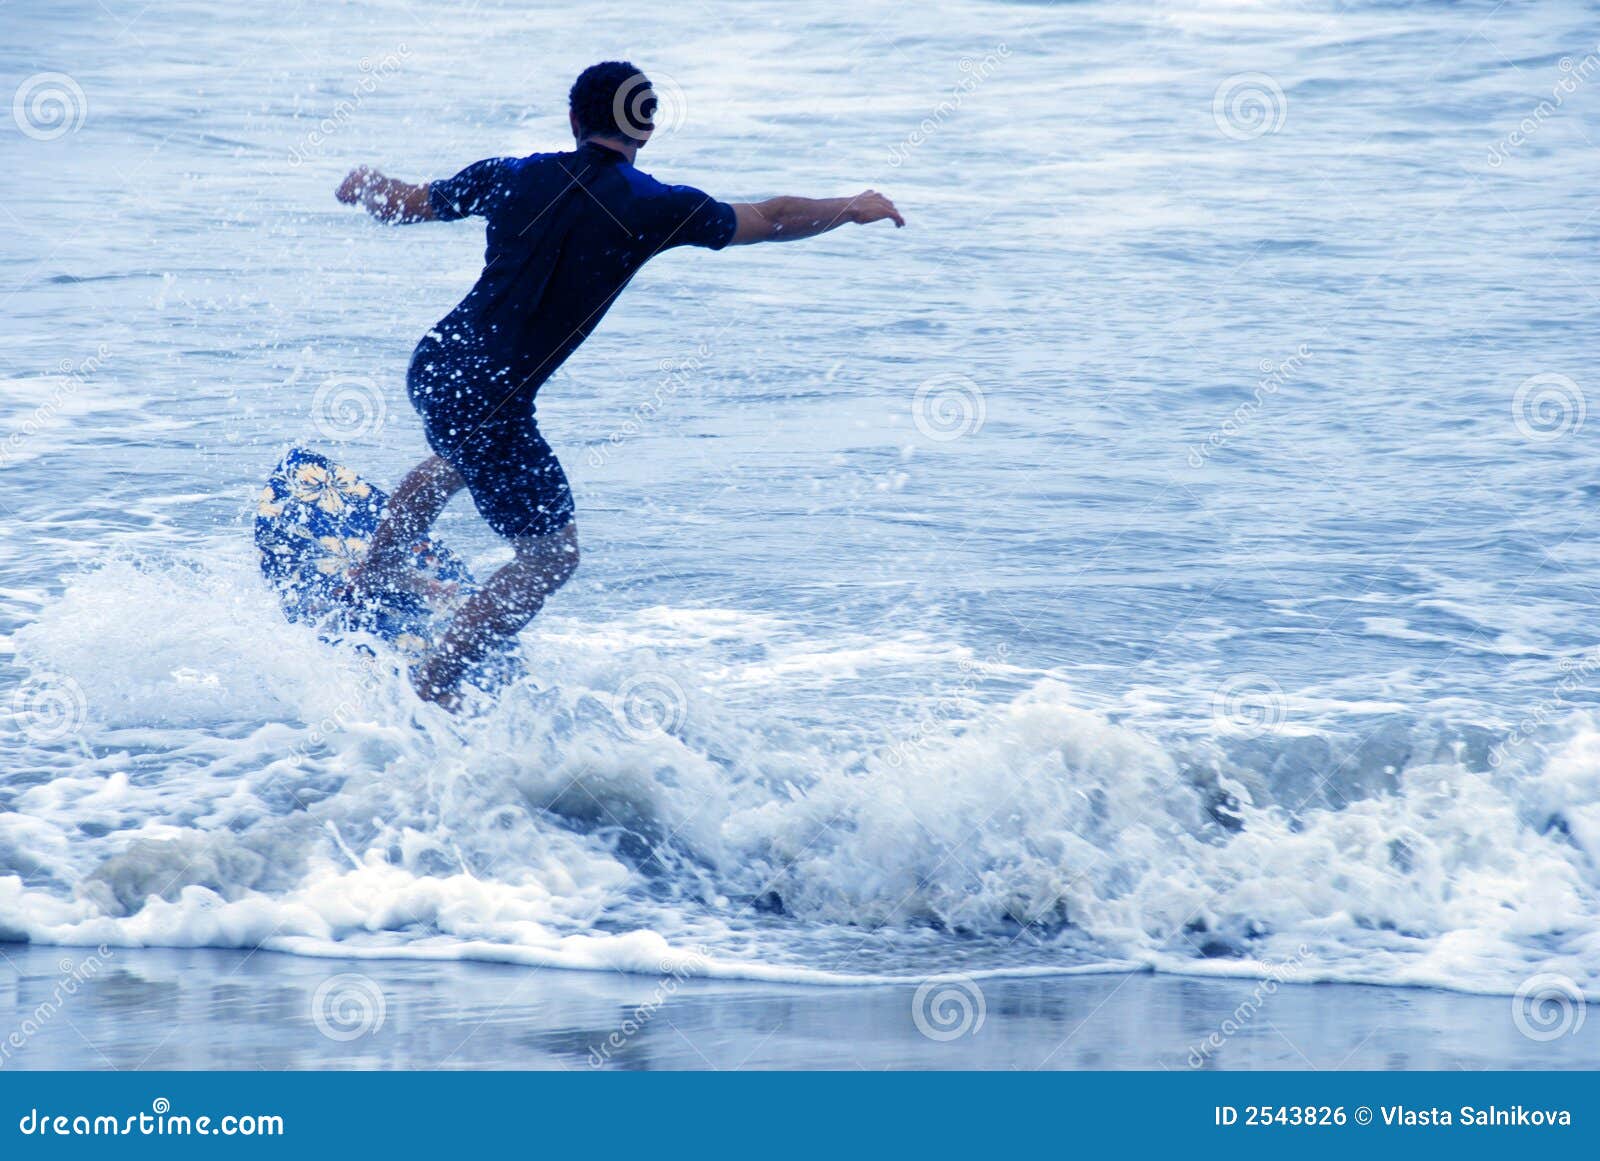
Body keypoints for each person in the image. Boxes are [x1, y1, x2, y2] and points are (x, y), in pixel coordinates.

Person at [335, 61, 905, 709]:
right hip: (494, 401)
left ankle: (369, 577)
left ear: (574, 120)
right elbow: (772, 218)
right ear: (647, 129)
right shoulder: (657, 207)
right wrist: (849, 208)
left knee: (458, 454)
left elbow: (408, 204)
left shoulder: (513, 175)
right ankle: (434, 683)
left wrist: (366, 186)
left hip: (436, 364)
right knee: (549, 557)